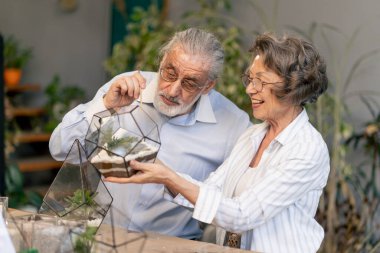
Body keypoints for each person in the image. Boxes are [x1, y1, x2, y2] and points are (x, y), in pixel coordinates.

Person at [105, 32, 330, 253]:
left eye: (260, 82)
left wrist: (167, 177)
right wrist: (159, 169)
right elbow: (210, 189)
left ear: (292, 89)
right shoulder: (253, 135)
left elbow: (243, 215)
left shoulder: (306, 149)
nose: (249, 89)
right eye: (250, 79)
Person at [49, 28, 251, 240]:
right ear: (162, 62)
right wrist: (105, 106)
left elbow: (238, 206)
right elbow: (62, 150)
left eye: (189, 83)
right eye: (170, 73)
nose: (172, 90)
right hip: (102, 238)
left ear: (208, 86)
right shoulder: (125, 87)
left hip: (172, 245)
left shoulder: (233, 125)